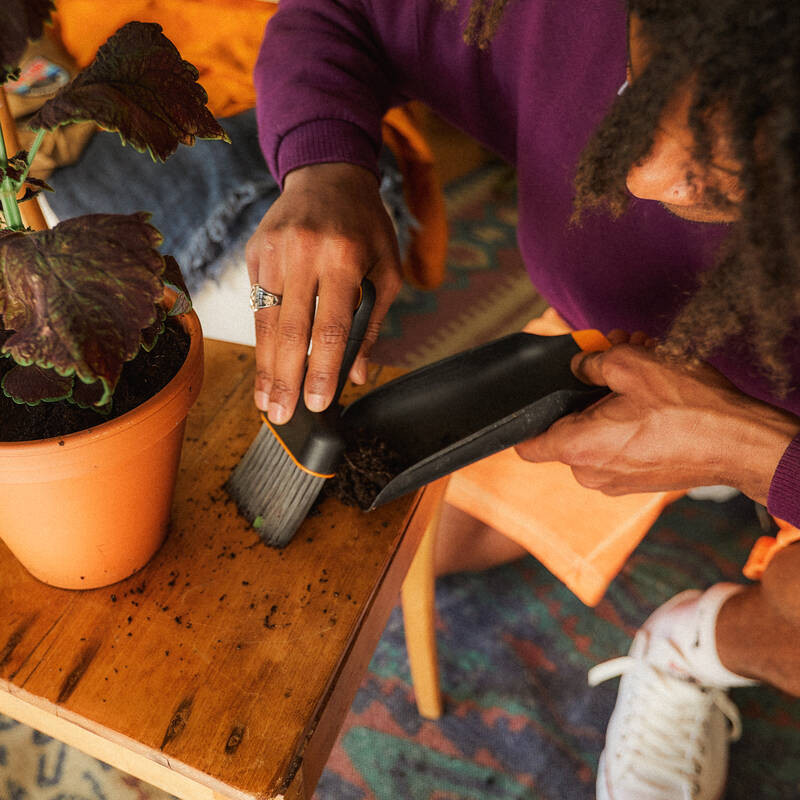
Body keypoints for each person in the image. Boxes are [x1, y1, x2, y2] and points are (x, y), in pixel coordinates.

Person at [245, 1, 800, 797]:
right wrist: (323, 167)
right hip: (615, 354)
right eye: (636, 89)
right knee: (400, 551)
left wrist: (753, 451)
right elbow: (339, 14)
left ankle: (692, 646)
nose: (635, 175)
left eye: (713, 172)